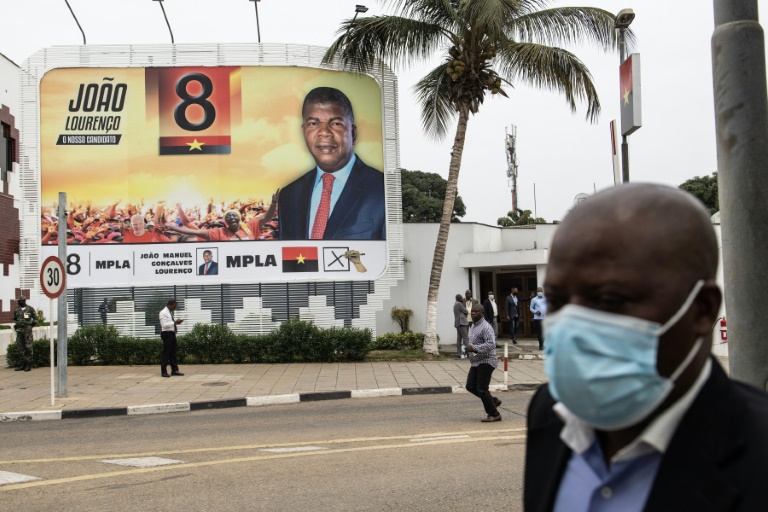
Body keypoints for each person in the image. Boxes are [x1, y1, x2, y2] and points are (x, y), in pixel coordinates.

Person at [524, 184, 768, 512]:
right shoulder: (547, 412)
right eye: (556, 301)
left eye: (609, 300)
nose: (571, 326)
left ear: (702, 310)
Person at [278, 87, 385, 240]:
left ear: (353, 133)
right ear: (304, 132)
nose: (324, 132)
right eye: (314, 123)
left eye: (335, 123)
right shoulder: (289, 196)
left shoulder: (383, 189)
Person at [466, 304, 501, 422]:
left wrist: (474, 348)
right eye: (472, 312)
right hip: (476, 362)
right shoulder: (474, 326)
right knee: (470, 386)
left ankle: (494, 414)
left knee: (482, 389)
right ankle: (493, 401)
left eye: (476, 312)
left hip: (486, 361)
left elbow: (491, 344)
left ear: (482, 313)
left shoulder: (486, 327)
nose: (473, 313)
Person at [159, 299, 184, 378]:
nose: (175, 308)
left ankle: (174, 370)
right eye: (174, 306)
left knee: (173, 352)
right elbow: (164, 325)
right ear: (170, 305)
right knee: (166, 353)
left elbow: (170, 324)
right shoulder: (163, 313)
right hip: (166, 334)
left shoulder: (170, 313)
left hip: (172, 334)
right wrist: (175, 322)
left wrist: (176, 323)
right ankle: (164, 371)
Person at [13, 296, 37, 372]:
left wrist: (29, 325)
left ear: (24, 301)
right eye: (18, 301)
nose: (18, 302)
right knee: (20, 347)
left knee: (28, 347)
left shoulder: (30, 309)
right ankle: (22, 364)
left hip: (27, 331)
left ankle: (28, 364)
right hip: (19, 331)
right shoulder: (16, 310)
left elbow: (35, 319)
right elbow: (14, 319)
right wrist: (17, 325)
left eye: (20, 301)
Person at [453, 294, 469, 359]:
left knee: (459, 339)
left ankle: (460, 354)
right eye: (462, 297)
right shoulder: (459, 304)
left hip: (458, 323)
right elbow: (466, 311)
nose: (463, 298)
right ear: (459, 298)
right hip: (461, 323)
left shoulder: (455, 304)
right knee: (466, 338)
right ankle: (466, 353)